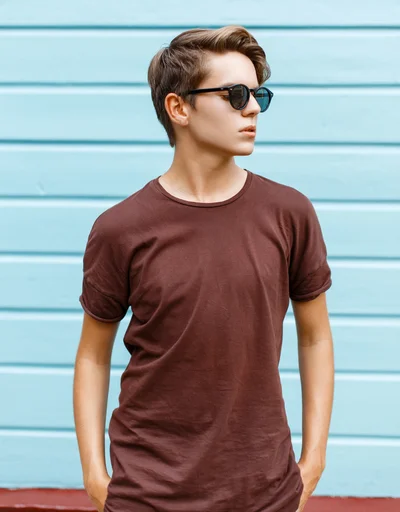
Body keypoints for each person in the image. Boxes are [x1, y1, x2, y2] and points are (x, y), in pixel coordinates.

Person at [73, 25, 334, 512]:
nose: (253, 107)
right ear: (179, 108)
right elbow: (92, 354)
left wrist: (313, 458)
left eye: (258, 94)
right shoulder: (120, 228)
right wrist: (94, 473)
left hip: (265, 492)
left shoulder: (289, 214)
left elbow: (315, 336)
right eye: (236, 94)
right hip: (145, 494)